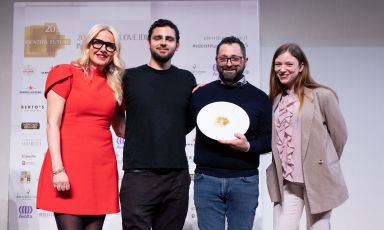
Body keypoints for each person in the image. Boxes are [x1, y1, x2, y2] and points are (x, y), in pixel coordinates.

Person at [36, 24, 125, 230]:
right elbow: (52, 123)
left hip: (101, 170)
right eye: (98, 42)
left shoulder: (115, 85)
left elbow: (122, 130)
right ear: (88, 44)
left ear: (115, 52)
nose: (103, 49)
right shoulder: (65, 73)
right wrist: (58, 170)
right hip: (68, 166)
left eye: (110, 46)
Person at [119, 19, 196, 230]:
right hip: (138, 175)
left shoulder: (187, 79)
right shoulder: (129, 77)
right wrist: (131, 131)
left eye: (169, 39)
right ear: (148, 42)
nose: (163, 43)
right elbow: (115, 112)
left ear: (177, 45)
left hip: (177, 177)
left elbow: (187, 122)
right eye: (158, 38)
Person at [190, 36, 272, 230]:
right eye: (223, 58)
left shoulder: (260, 98)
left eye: (235, 58)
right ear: (216, 61)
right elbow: (181, 125)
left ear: (244, 61)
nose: (229, 64)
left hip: (244, 181)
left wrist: (248, 146)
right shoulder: (201, 94)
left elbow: (269, 140)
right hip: (206, 180)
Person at [266, 43, 348, 230]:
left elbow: (339, 137)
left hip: (318, 180)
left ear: (301, 66)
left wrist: (325, 162)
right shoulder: (274, 100)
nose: (282, 69)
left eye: (289, 64)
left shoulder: (322, 96)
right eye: (278, 64)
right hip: (287, 183)